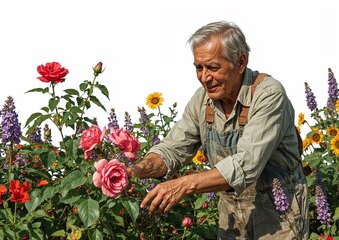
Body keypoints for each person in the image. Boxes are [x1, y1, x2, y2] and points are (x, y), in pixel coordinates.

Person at [127, 20, 309, 239]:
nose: (205, 77)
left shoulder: (268, 95)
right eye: (198, 67)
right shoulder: (202, 101)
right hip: (232, 211)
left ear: (240, 62)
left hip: (280, 213)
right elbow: (173, 149)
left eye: (213, 67)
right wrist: (136, 171)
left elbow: (246, 164)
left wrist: (185, 185)